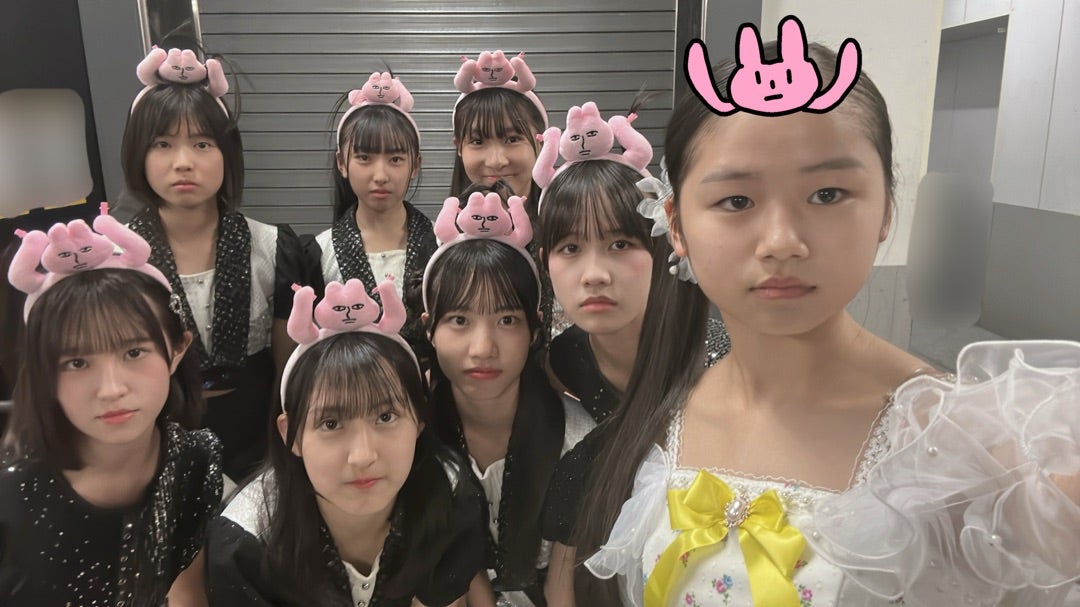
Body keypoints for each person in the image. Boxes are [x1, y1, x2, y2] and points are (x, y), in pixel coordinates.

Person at [571, 32, 1080, 607]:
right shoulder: (665, 418)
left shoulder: (964, 445)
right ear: (677, 225)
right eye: (737, 201)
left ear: (886, 208)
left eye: (828, 194)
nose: (782, 241)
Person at [532, 102, 731, 605]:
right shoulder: (564, 358)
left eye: (620, 244)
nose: (594, 274)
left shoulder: (717, 365)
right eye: (570, 248)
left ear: (663, 245)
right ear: (545, 261)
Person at [206, 277, 487, 606]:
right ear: (290, 434)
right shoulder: (247, 544)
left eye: (385, 417)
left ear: (419, 420)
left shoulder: (451, 497)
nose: (363, 456)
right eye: (331, 424)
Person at [0, 210, 222, 606]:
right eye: (76, 362)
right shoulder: (11, 491)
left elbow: (186, 591)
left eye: (134, 352)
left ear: (177, 350)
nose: (111, 389)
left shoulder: (196, 460)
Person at [121, 47, 306, 481]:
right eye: (162, 144)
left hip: (260, 448)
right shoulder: (116, 257)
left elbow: (290, 371)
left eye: (202, 144)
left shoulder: (273, 247)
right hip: (153, 447)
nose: (183, 162)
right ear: (138, 154)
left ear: (228, 153)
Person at [422, 193, 595, 605]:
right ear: (429, 329)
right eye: (459, 320)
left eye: (506, 320)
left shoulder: (577, 439)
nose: (483, 348)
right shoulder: (408, 437)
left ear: (535, 330)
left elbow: (565, 584)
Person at [306, 72, 437, 358]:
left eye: (396, 159)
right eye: (364, 158)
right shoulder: (320, 253)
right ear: (342, 163)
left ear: (415, 165)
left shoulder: (442, 244)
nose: (380, 175)